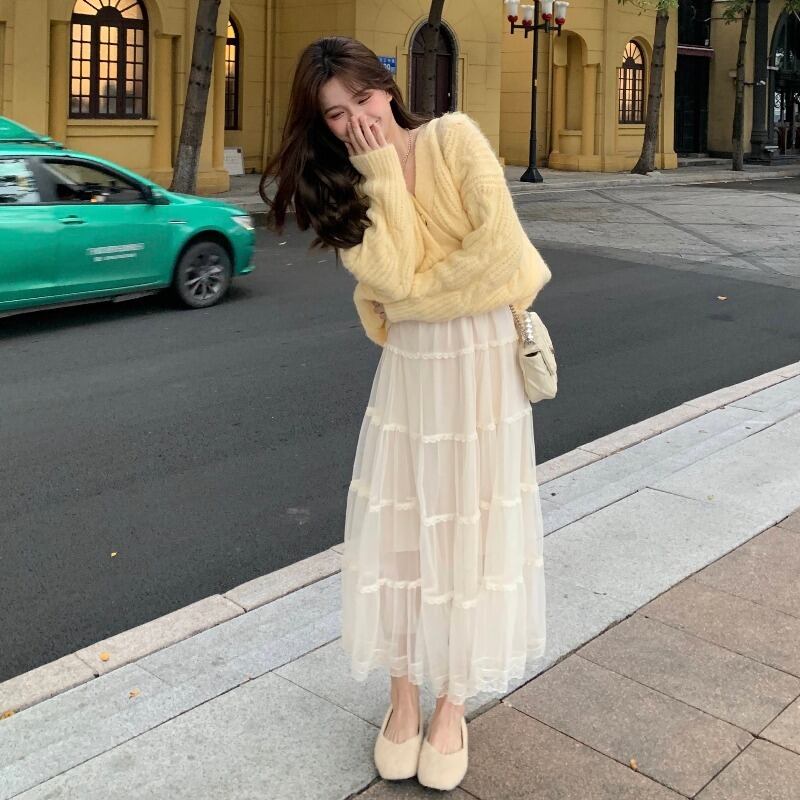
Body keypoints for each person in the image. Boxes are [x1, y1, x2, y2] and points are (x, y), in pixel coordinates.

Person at [261, 35, 551, 792]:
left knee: (470, 531)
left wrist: (413, 298)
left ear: (387, 88)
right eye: (336, 114)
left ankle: (452, 705)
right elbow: (389, 276)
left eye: (363, 98)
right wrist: (382, 175)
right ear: (322, 125)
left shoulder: (455, 139)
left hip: (484, 367)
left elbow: (501, 255)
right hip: (413, 373)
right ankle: (402, 699)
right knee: (402, 533)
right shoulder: (346, 185)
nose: (356, 119)